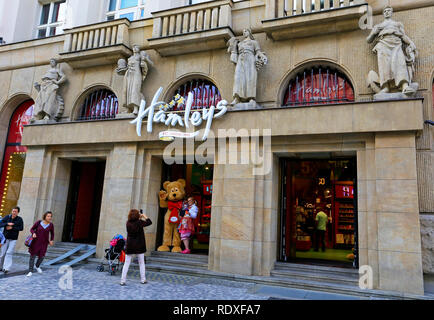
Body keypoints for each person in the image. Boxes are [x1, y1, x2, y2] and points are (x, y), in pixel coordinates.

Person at [120, 209, 152, 286]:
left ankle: (122, 280)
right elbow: (149, 222)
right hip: (139, 245)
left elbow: (135, 225)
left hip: (130, 245)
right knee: (141, 263)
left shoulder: (128, 223)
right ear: (137, 215)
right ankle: (143, 279)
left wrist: (139, 218)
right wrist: (143, 215)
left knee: (126, 263)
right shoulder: (139, 222)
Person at [26, 211, 55, 277]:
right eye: (48, 216)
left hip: (44, 243)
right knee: (32, 257)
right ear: (45, 216)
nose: (49, 217)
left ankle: (37, 266)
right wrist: (33, 233)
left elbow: (52, 233)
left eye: (50, 216)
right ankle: (30, 271)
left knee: (42, 256)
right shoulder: (39, 222)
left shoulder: (51, 225)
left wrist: (51, 240)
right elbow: (32, 229)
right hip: (35, 242)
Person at [0, 207, 24, 273]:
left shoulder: (19, 219)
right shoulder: (7, 217)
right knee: (2, 253)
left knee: (9, 252)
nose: (14, 212)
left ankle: (6, 268)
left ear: (18, 212)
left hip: (13, 239)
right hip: (5, 238)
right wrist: (7, 224)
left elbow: (21, 228)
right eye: (13, 211)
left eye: (15, 211)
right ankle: (0, 267)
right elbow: (1, 224)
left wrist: (12, 227)